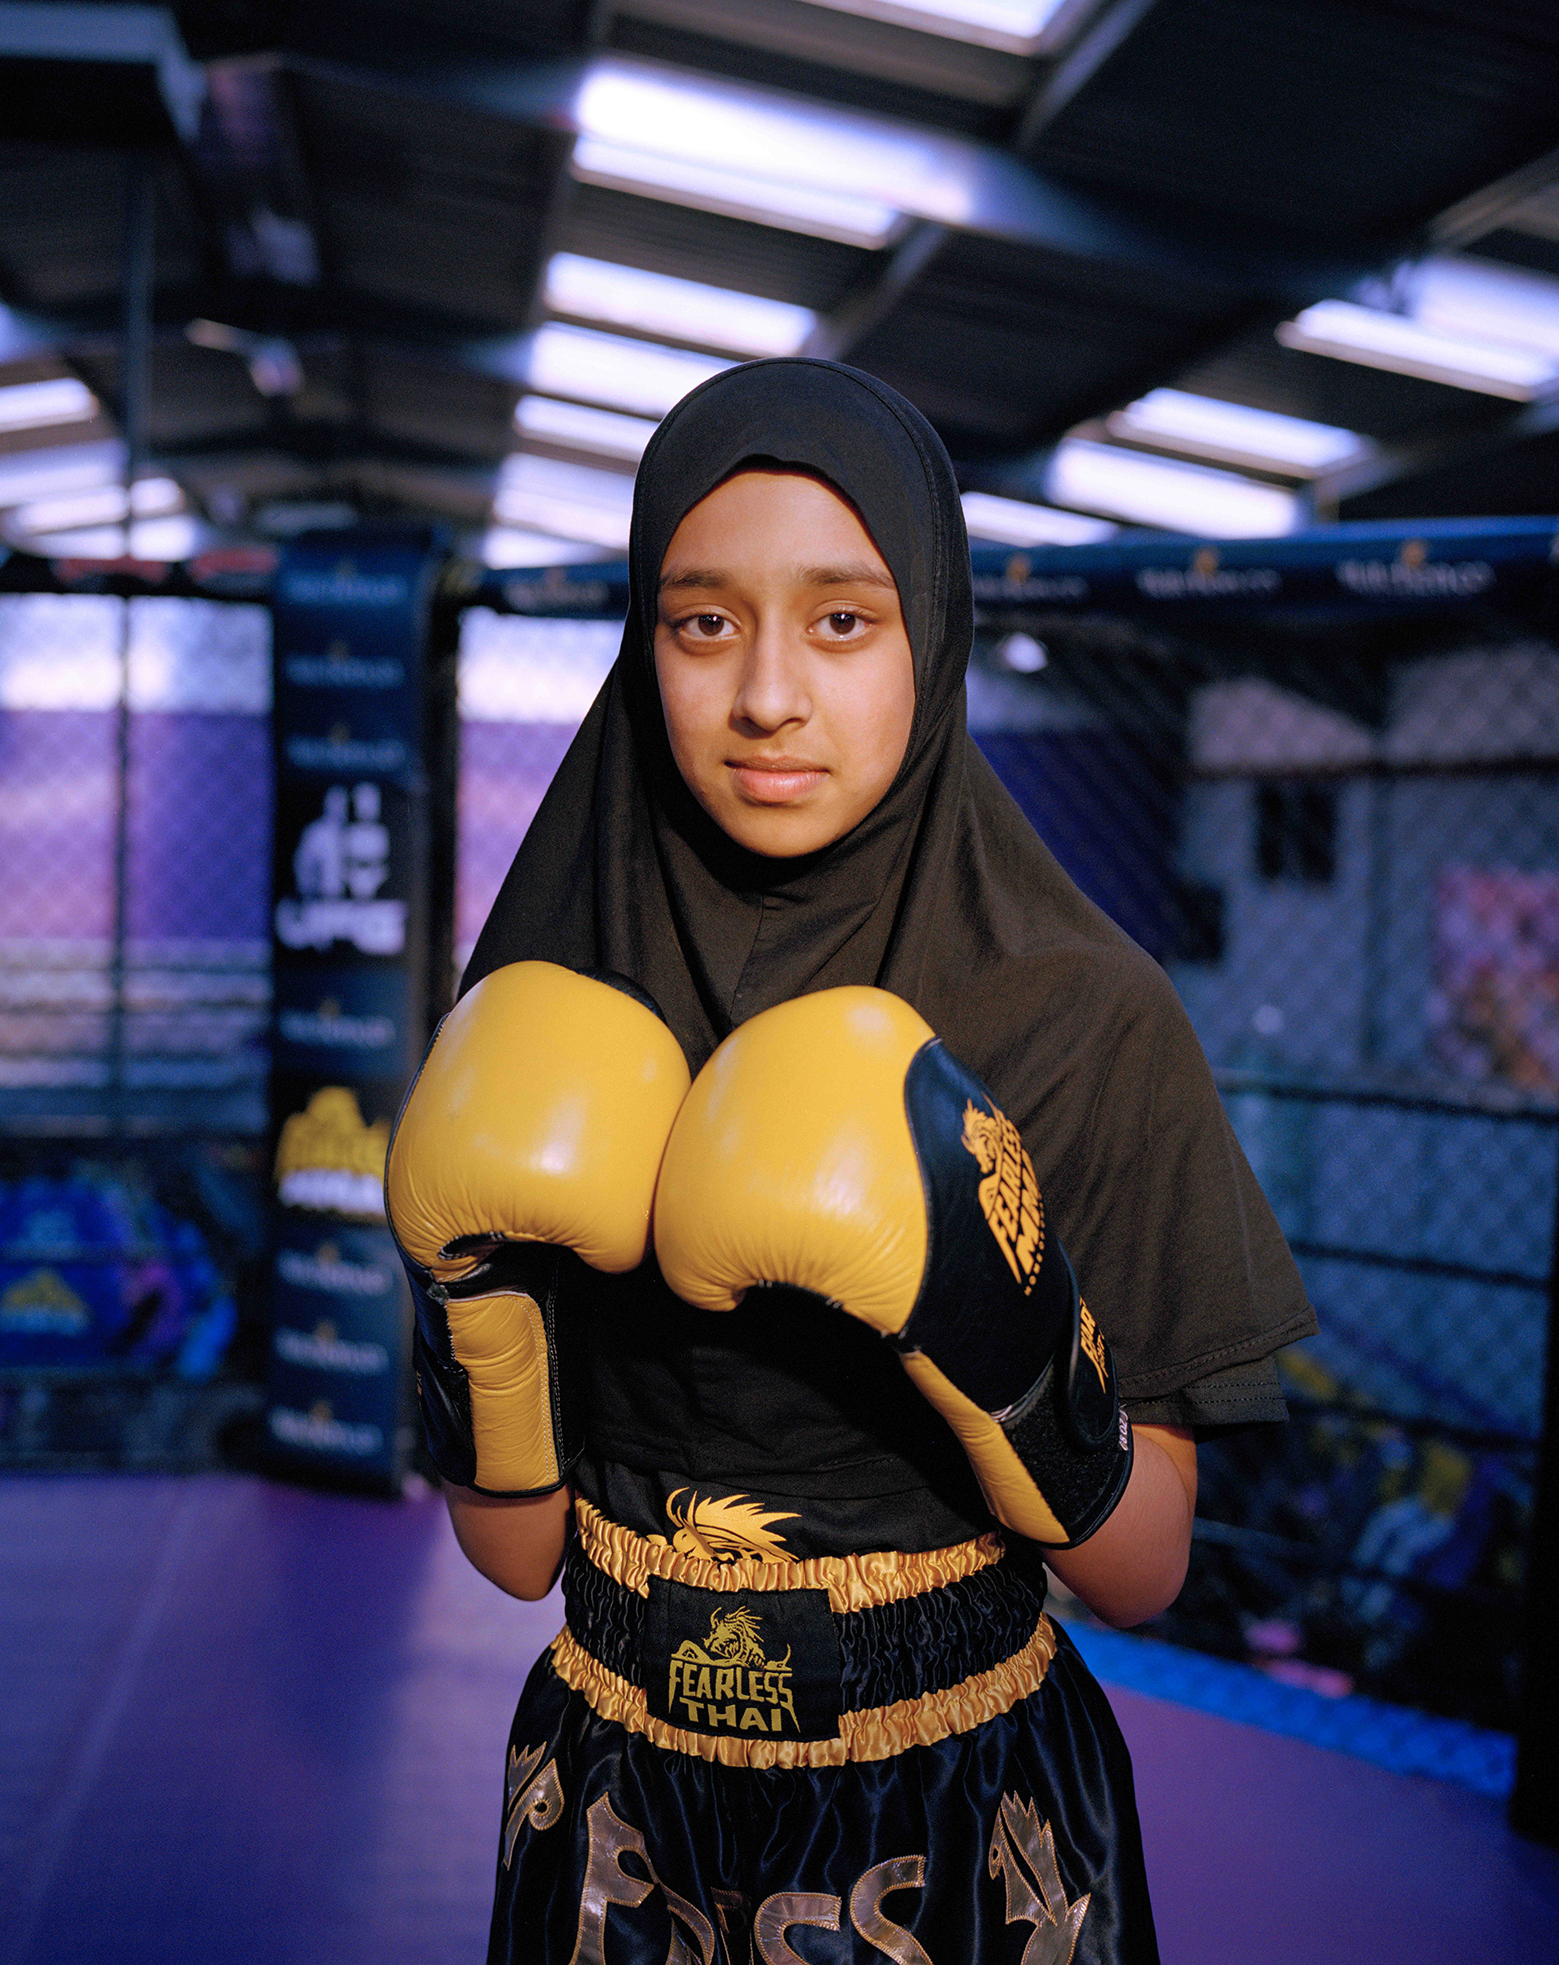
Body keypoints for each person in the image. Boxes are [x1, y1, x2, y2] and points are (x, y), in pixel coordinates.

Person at [388, 359, 1316, 1964]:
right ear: (643, 637)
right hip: (620, 1797)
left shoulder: (1082, 1013)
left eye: (841, 620)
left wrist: (1008, 1346)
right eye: (701, 621)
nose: (765, 695)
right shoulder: (553, 985)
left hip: (962, 1813)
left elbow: (1150, 1568)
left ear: (932, 638)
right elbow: (513, 1553)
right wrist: (470, 1309)